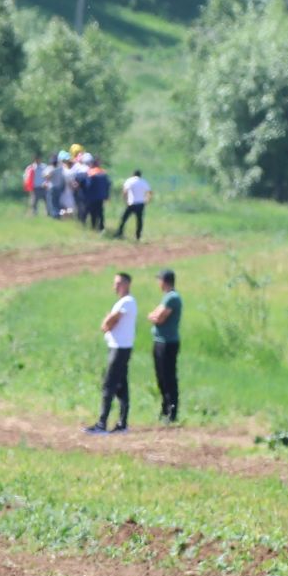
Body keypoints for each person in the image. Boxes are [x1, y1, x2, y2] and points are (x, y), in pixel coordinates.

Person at [86, 273, 136, 435]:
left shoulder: (127, 302)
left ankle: (102, 424)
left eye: (119, 283)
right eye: (115, 283)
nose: (115, 286)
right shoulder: (123, 302)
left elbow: (111, 321)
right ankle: (122, 424)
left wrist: (107, 321)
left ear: (127, 284)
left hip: (119, 348)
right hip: (119, 347)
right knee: (121, 386)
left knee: (109, 385)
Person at [147, 269, 182, 424]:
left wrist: (154, 316)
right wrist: (154, 316)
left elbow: (158, 318)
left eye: (159, 280)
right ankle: (165, 408)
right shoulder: (166, 298)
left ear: (165, 281)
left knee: (168, 377)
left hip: (168, 342)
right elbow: (154, 315)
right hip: (160, 341)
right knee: (161, 376)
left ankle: (172, 410)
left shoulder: (172, 298)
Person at [114, 169, 150, 240]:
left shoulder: (130, 180)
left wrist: (125, 199)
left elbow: (125, 191)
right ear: (140, 175)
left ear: (133, 174)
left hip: (131, 203)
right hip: (140, 203)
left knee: (124, 218)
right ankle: (138, 236)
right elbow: (149, 192)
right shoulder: (143, 181)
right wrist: (146, 200)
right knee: (139, 220)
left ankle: (119, 232)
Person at [84, 158, 110, 233]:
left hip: (92, 196)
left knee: (93, 212)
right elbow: (108, 184)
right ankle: (101, 227)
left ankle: (93, 226)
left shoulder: (90, 173)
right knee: (100, 212)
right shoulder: (103, 172)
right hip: (101, 196)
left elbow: (88, 185)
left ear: (92, 164)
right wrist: (106, 195)